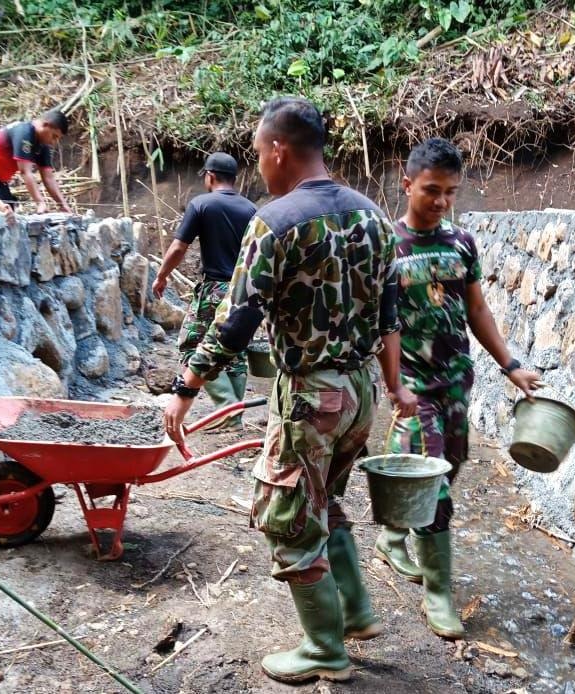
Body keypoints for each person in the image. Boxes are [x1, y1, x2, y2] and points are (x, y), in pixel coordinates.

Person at [163, 96, 416, 683]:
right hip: (358, 395)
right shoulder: (375, 218)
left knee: (288, 518)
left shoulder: (275, 221)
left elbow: (236, 321)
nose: (259, 166)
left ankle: (325, 651)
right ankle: (354, 610)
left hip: (310, 396)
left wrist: (186, 386)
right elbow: (389, 317)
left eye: (259, 153)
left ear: (279, 148)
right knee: (323, 500)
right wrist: (394, 386)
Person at [374, 137, 540, 640]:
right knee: (436, 486)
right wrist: (394, 383)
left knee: (452, 465)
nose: (442, 201)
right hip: (415, 385)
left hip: (456, 381)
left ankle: (391, 533)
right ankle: (439, 594)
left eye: (450, 192)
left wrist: (510, 365)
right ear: (406, 185)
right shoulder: (388, 246)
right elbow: (384, 323)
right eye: (431, 190)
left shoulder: (461, 243)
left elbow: (477, 310)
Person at [151, 152, 256, 430]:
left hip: (214, 289)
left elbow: (178, 248)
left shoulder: (201, 205)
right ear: (234, 180)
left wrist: (161, 276)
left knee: (191, 344)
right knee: (234, 350)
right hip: (243, 290)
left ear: (209, 176)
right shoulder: (251, 210)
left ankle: (228, 413)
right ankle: (234, 414)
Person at [0, 109, 72, 213]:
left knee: (9, 211)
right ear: (45, 125)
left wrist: (63, 205)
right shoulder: (24, 132)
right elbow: (25, 172)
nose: (54, 142)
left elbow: (48, 178)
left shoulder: (43, 144)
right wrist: (40, 203)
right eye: (54, 136)